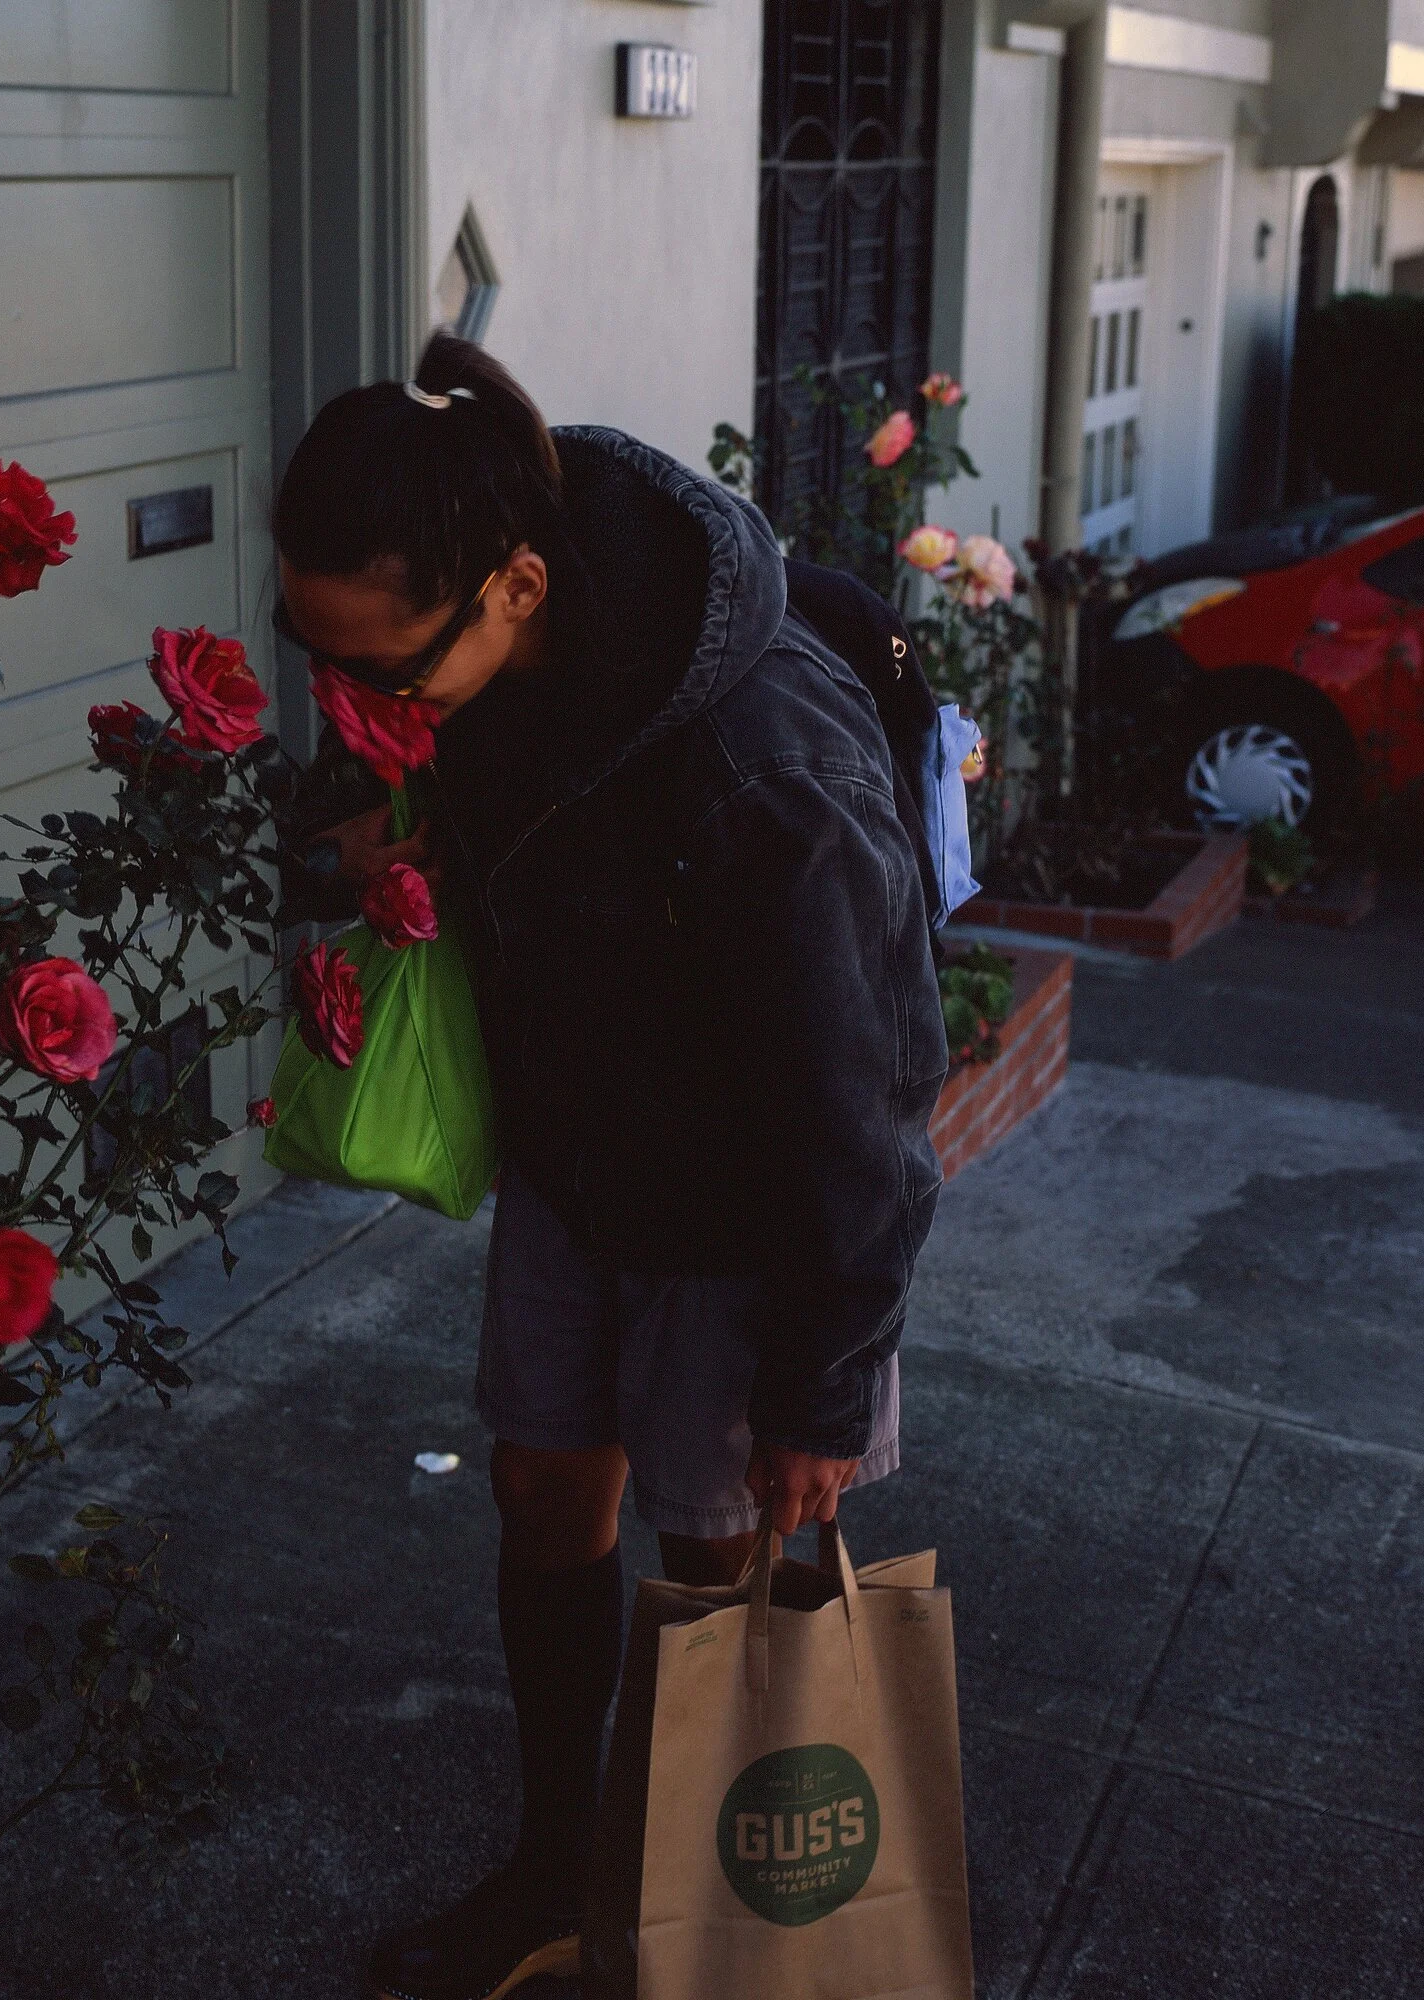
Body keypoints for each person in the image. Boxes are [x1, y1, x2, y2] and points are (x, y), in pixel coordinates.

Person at [273, 335, 948, 2000]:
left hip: (742, 1218)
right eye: (315, 657)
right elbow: (386, 767)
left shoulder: (766, 765)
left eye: (384, 672)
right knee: (540, 1498)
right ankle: (551, 1867)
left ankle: (691, 1913)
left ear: (516, 584)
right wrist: (372, 822)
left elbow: (862, 1105)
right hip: (576, 1169)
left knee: (716, 1570)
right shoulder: (480, 660)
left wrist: (820, 1391)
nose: (354, 706)